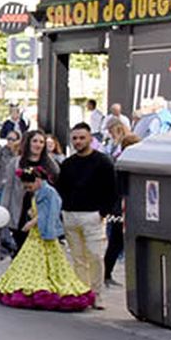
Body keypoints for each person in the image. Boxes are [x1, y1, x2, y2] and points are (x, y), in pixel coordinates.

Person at [0, 168, 94, 311]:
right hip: (37, 234)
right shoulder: (40, 192)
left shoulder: (48, 193)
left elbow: (47, 212)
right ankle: (30, 285)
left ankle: (41, 288)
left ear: (38, 181)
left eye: (29, 186)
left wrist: (32, 222)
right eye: (26, 187)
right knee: (32, 261)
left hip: (43, 233)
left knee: (46, 262)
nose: (28, 189)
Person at [57, 123, 116, 307]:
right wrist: (63, 211)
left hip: (92, 215)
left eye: (82, 137)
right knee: (78, 258)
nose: (78, 141)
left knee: (95, 256)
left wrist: (103, 212)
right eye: (75, 138)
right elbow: (61, 189)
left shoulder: (103, 162)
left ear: (90, 138)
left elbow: (112, 190)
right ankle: (82, 293)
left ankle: (96, 294)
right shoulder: (67, 163)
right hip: (70, 215)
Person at [4, 130, 60, 254]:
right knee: (20, 251)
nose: (38, 145)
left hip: (42, 213)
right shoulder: (16, 163)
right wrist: (4, 213)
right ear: (28, 143)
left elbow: (56, 191)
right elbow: (8, 189)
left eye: (41, 142)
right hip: (21, 211)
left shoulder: (51, 164)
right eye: (35, 141)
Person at [102, 127, 138, 286]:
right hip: (119, 209)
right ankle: (106, 274)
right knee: (116, 243)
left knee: (116, 244)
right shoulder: (122, 164)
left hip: (118, 209)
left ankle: (107, 273)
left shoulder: (119, 162)